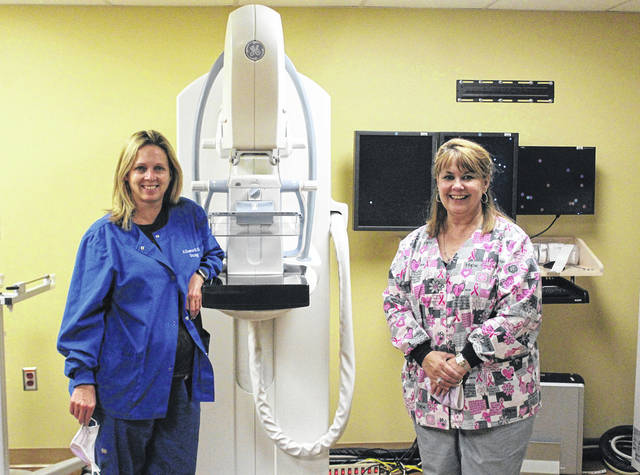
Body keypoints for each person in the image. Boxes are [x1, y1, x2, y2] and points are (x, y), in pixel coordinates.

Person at [57, 130, 224, 474]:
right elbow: (82, 317)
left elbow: (213, 253)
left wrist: (200, 275)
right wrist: (83, 381)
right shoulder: (104, 236)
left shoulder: (189, 217)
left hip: (180, 381)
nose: (151, 177)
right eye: (141, 169)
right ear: (126, 177)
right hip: (128, 383)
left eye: (159, 168)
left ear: (171, 174)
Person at [382, 138, 542, 475]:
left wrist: (463, 361)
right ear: (438, 183)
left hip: (496, 399)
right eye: (448, 176)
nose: (457, 185)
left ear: (485, 183)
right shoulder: (414, 244)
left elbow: (521, 315)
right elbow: (395, 303)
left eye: (468, 176)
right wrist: (423, 353)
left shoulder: (510, 242)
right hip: (431, 394)